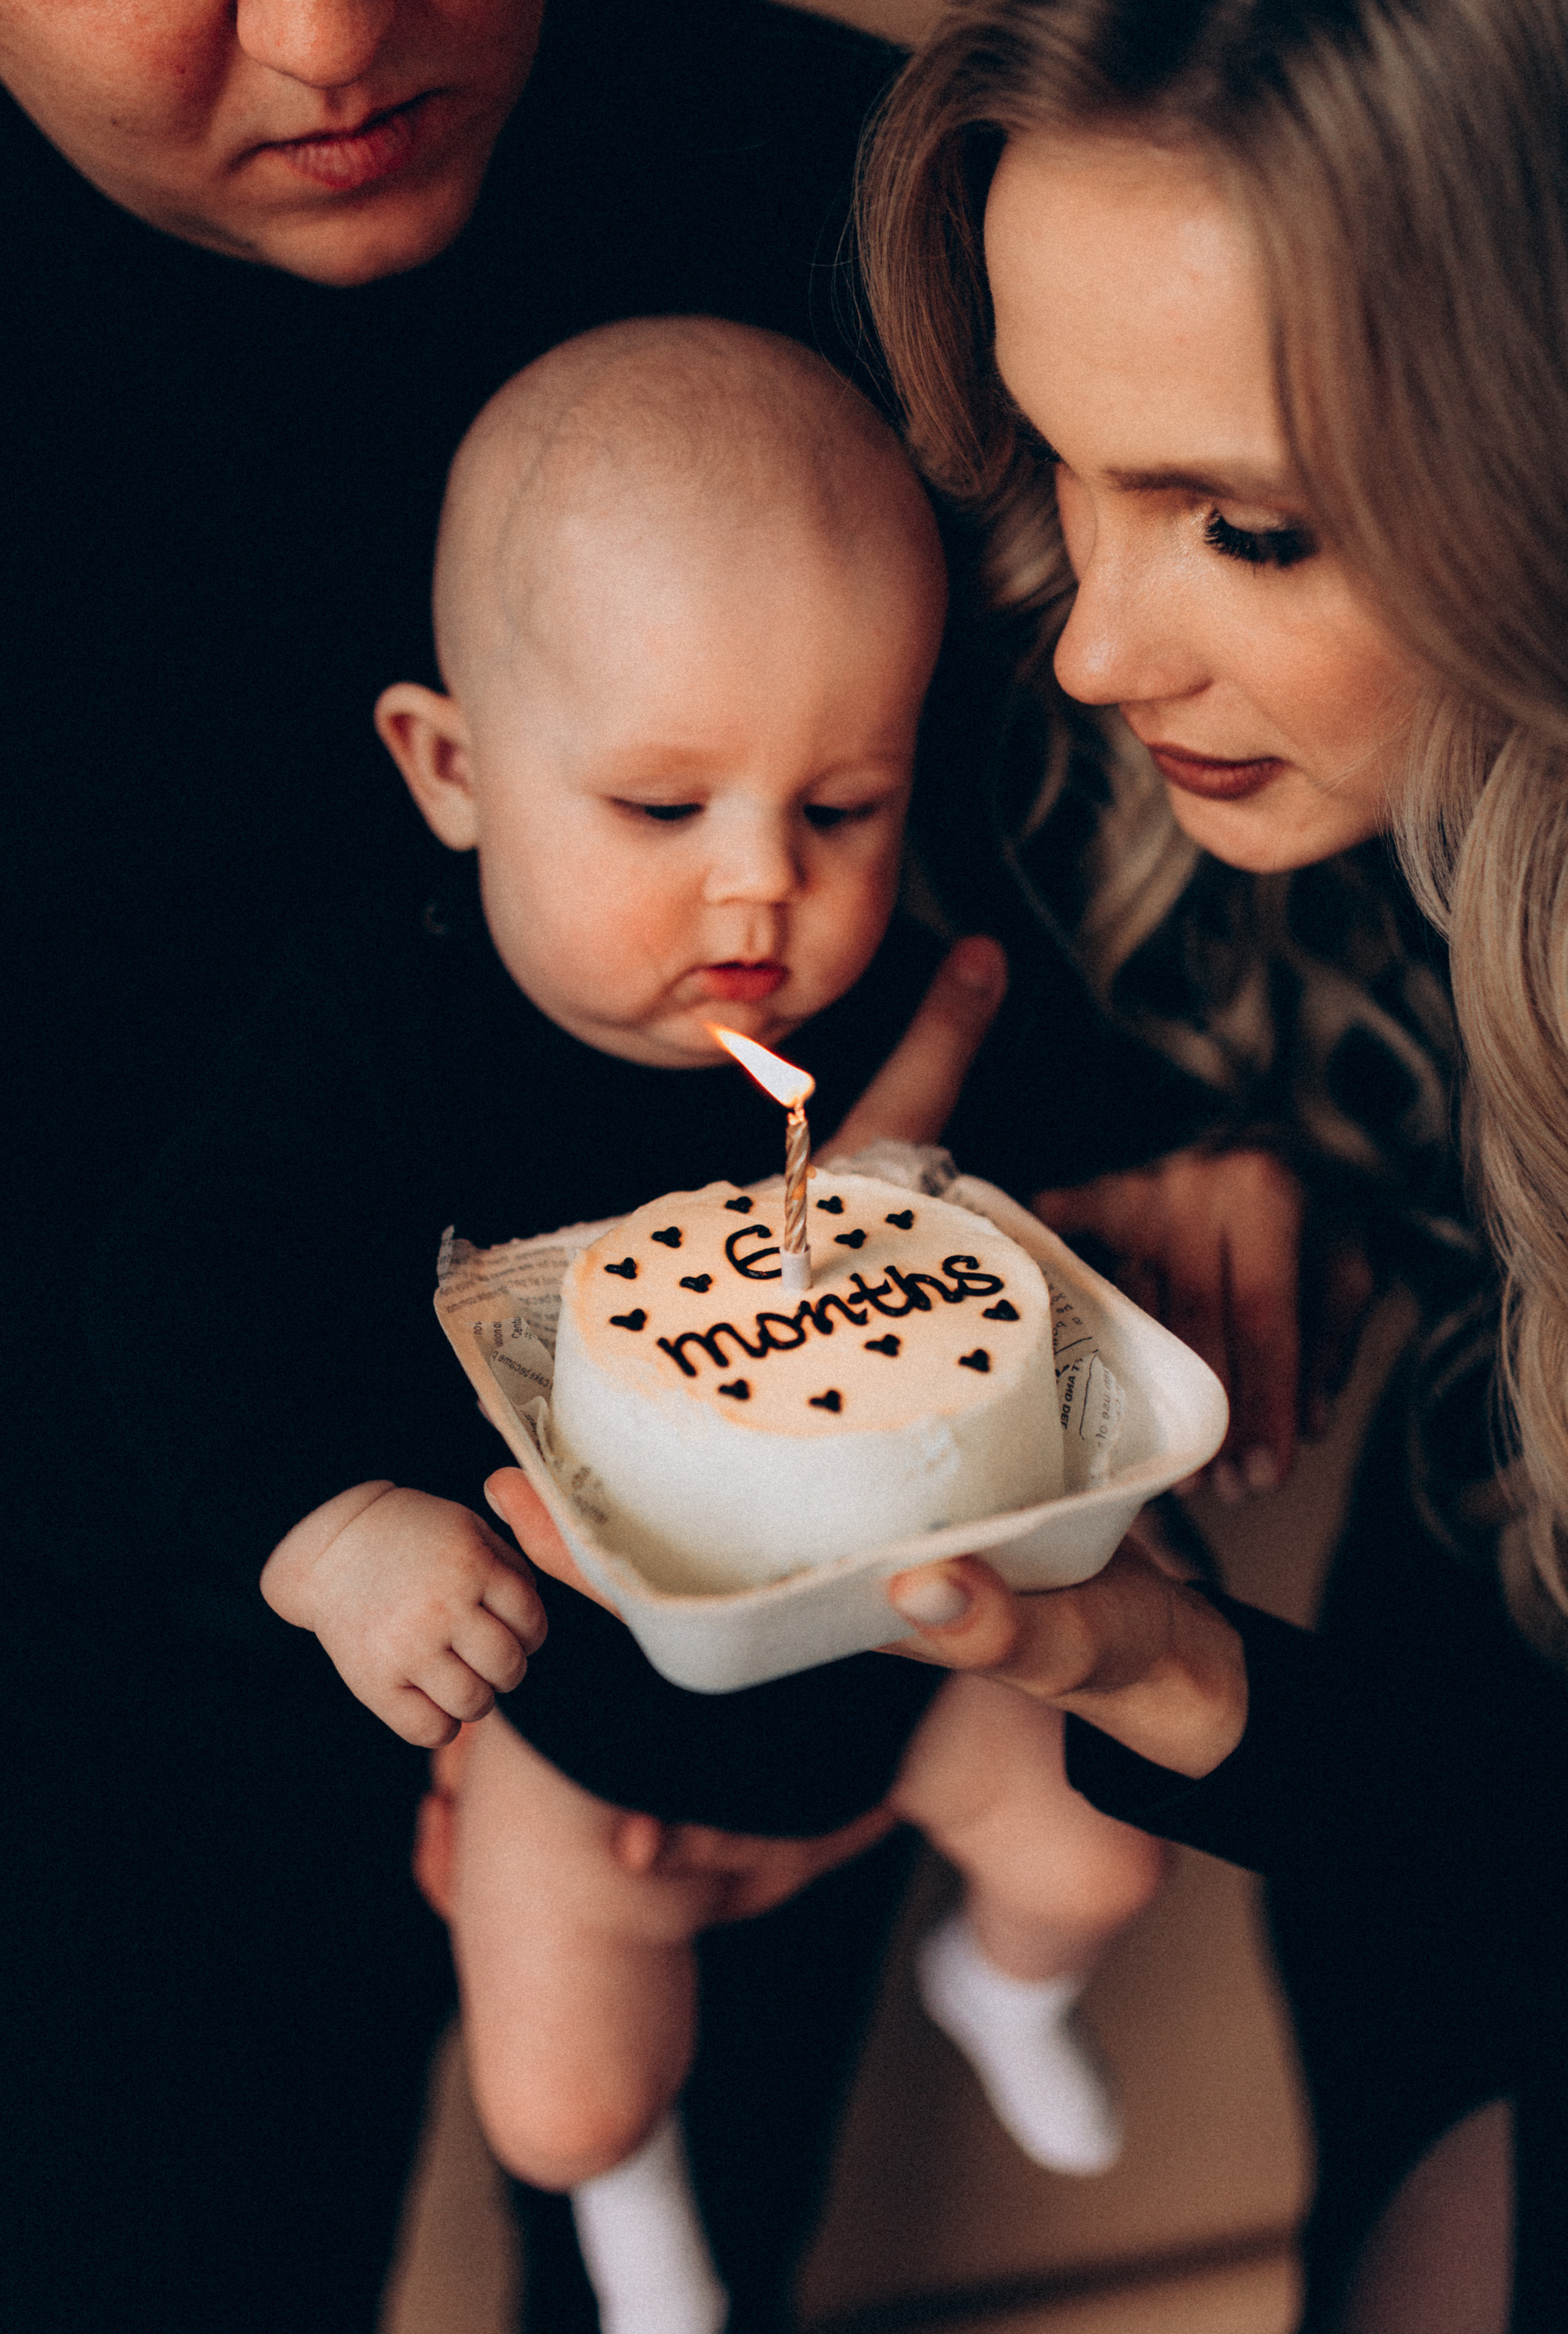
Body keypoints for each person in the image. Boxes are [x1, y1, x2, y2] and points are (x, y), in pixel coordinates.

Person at [0, 0, 1088, 2324]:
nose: (335, 25)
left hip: (780, 1596)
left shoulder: (879, 195)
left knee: (676, 2254)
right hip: (103, 1670)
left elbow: (1065, 858)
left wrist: (1156, 1158)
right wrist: (333, 1531)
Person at [83, 314, 1167, 2333]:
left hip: (916, 1657)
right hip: (575, 1706)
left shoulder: (919, 998)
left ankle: (995, 1986)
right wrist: (339, 1539)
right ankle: (623, 2200)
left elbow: (1093, 1214)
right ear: (453, 768)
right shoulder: (381, 1036)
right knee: (566, 2098)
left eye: (840, 806)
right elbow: (176, 1296)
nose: (760, 892)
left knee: (1102, 1862)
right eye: (665, 811)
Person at [774, 0, 1568, 2326]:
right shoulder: (1271, 818)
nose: (1096, 645)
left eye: (1239, 521)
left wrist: (1175, 1673)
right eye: (1055, 467)